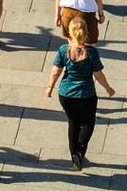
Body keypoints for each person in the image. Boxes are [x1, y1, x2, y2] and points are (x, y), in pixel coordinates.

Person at [45, 15, 115, 170]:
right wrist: (108, 88)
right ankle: (80, 151)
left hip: (65, 94)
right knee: (88, 123)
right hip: (86, 94)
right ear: (86, 33)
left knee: (73, 123)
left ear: (70, 32)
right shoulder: (91, 53)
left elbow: (56, 71)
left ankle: (73, 156)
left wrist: (50, 87)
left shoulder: (64, 50)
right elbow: (98, 74)